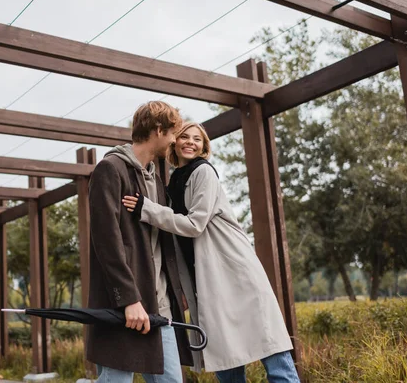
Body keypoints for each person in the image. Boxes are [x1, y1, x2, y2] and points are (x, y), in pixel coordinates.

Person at [122, 122, 300, 383]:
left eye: (197, 139)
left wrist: (146, 209)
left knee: (270, 346)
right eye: (185, 137)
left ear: (204, 147)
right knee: (223, 354)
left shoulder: (203, 172)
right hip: (207, 280)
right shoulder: (173, 183)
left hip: (234, 272)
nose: (190, 142)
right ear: (174, 142)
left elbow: (195, 224)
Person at [86, 101, 193, 382]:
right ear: (158, 130)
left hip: (160, 308)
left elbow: (161, 242)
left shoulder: (154, 178)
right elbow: (106, 241)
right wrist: (129, 298)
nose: (174, 141)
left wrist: (175, 290)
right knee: (117, 379)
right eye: (173, 133)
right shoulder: (109, 169)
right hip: (127, 308)